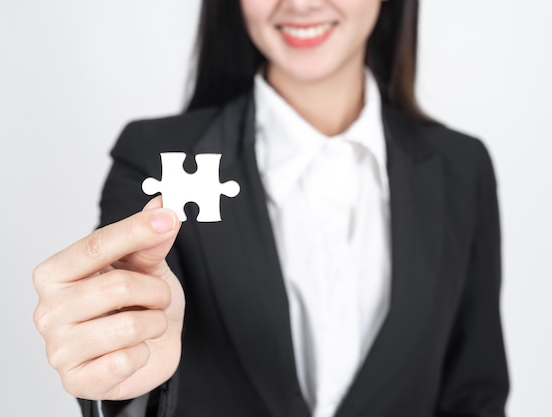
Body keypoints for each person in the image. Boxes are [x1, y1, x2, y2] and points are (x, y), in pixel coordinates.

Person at [33, 0, 510, 416]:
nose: (300, 3)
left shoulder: (461, 170)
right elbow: (131, 378)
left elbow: (474, 394)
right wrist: (124, 380)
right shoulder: (155, 159)